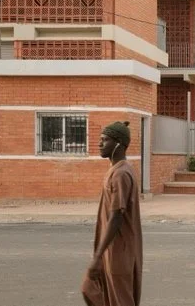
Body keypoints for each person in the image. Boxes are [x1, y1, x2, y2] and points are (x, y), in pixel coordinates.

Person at [82, 121, 143, 306]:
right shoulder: (115, 171)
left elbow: (116, 216)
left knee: (120, 299)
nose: (100, 144)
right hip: (111, 249)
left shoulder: (121, 174)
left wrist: (98, 256)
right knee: (91, 290)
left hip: (119, 250)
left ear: (119, 144)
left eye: (105, 140)